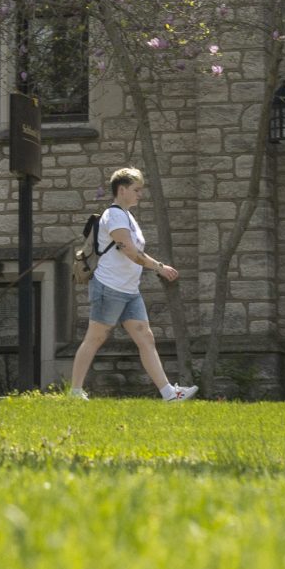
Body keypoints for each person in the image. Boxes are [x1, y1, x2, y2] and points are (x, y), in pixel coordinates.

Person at [68, 167, 197, 401]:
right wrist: (160, 267)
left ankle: (170, 394)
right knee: (95, 338)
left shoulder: (128, 216)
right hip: (109, 287)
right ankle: (75, 392)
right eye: (136, 190)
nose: (140, 194)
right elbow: (129, 251)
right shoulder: (114, 215)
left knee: (145, 337)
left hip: (129, 290)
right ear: (122, 190)